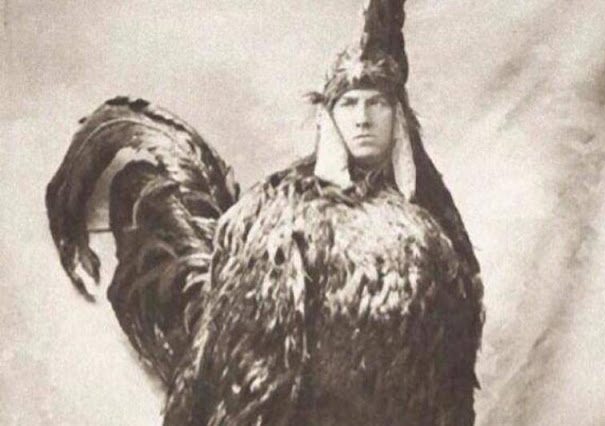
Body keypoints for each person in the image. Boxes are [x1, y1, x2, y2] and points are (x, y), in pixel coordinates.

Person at [46, 1, 483, 425]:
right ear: (329, 117)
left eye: (377, 103)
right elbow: (248, 386)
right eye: (349, 104)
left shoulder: (433, 219)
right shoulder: (287, 216)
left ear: (398, 113)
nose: (363, 118)